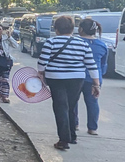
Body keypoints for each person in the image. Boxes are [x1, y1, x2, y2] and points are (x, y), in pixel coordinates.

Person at [37, 16, 100, 151]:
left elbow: (42, 62)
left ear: (56, 29)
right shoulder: (82, 44)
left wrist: (40, 74)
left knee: (60, 107)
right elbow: (91, 65)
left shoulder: (51, 42)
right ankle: (72, 136)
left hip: (56, 78)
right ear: (73, 29)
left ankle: (64, 140)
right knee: (70, 106)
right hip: (77, 79)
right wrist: (96, 84)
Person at [73, 19, 107, 135]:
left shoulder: (75, 42)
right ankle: (92, 128)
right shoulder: (102, 45)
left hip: (76, 76)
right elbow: (103, 65)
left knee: (73, 101)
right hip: (94, 78)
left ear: (81, 29)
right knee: (93, 102)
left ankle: (74, 124)